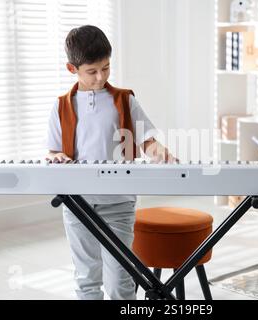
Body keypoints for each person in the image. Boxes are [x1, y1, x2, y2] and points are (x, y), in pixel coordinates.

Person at [45, 25, 176, 300]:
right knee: (86, 277)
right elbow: (55, 151)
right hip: (77, 204)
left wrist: (159, 151)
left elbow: (147, 140)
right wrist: (56, 157)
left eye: (106, 68)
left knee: (120, 280)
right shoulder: (60, 107)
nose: (101, 76)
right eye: (92, 71)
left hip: (118, 202)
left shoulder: (124, 100)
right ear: (73, 69)